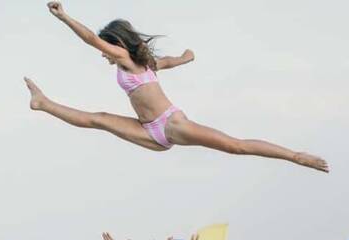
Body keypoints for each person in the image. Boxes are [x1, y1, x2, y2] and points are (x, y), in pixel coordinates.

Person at [24, 1, 329, 173]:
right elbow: (167, 61)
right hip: (147, 131)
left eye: (108, 47)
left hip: (171, 125)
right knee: (98, 119)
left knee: (235, 146)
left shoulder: (126, 59)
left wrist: (64, 17)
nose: (104, 53)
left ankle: (295, 156)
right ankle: (44, 103)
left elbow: (91, 39)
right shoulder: (142, 64)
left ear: (117, 44)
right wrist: (185, 57)